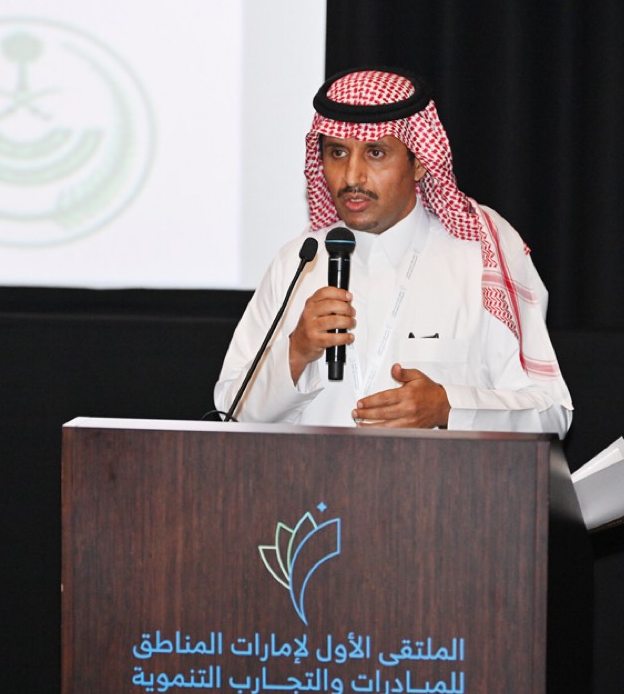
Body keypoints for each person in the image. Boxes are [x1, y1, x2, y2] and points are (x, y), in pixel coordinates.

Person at [214, 67, 573, 435]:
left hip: (436, 475)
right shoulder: (298, 262)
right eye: (337, 153)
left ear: (419, 162)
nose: (352, 176)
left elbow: (551, 413)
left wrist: (449, 407)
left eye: (375, 153)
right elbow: (231, 412)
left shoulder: (480, 257)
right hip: (311, 475)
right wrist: (296, 352)